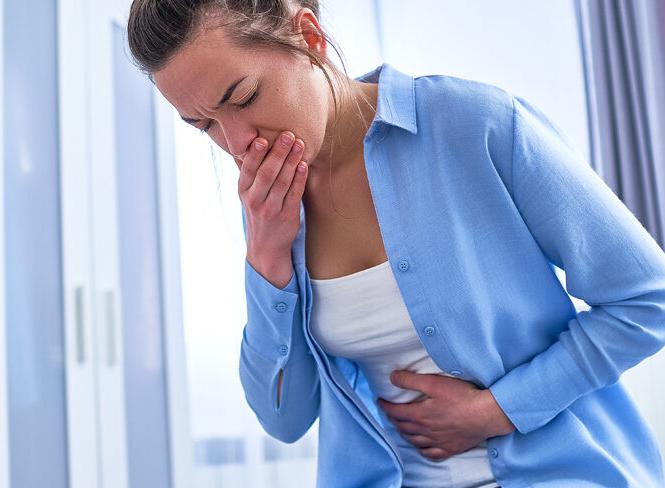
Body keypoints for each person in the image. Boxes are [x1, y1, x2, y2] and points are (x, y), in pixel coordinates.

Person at [126, 1, 665, 487]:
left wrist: (498, 410)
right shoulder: (272, 209)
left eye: (244, 98)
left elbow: (647, 299)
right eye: (204, 126)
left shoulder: (476, 124)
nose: (237, 144)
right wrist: (266, 259)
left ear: (309, 37)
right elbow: (284, 419)